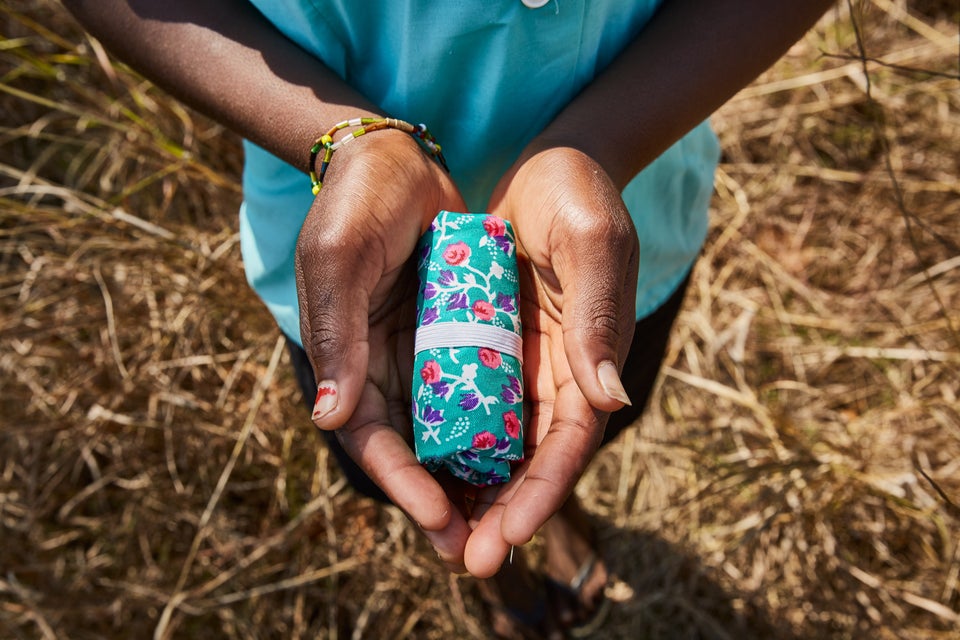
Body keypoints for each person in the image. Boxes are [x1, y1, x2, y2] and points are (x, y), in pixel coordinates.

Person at [63, 0, 834, 635]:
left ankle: (547, 518)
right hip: (349, 257)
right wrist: (348, 145)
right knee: (381, 447)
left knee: (592, 405)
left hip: (609, 227)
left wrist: (597, 144)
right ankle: (500, 560)